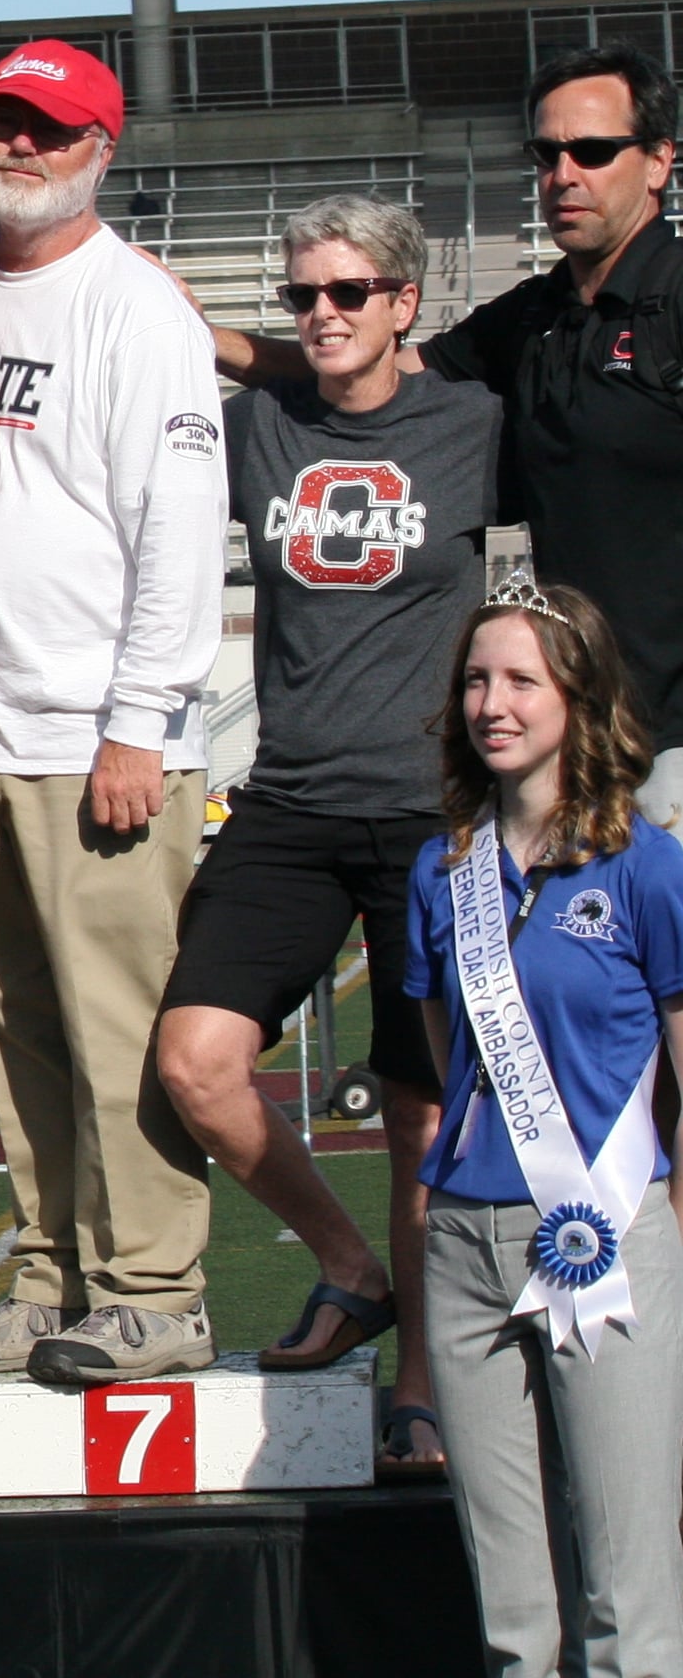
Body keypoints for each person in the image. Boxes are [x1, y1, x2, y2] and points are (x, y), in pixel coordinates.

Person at [149, 196, 493, 1469]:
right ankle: (351, 1265)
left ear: (406, 301)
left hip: (431, 814)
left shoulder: (472, 423)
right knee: (193, 1060)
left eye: (351, 292)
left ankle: (418, 1382)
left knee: (418, 1115)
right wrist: (222, 337)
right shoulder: (258, 426)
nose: (325, 314)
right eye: (302, 295)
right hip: (288, 798)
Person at [0, 38, 222, 1367]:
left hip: (96, 738)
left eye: (47, 127)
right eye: (2, 123)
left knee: (120, 1029)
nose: (19, 146)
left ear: (102, 145)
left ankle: (154, 1288)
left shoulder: (136, 307)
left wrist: (138, 722)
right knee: (6, 1025)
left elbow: (179, 527)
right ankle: (53, 1276)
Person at [214, 46, 683, 825]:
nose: (563, 174)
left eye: (593, 151)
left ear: (660, 161)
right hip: (586, 730)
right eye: (546, 152)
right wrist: (206, 339)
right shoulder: (531, 315)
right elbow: (366, 371)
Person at [407, 579, 683, 1678]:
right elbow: (447, 1057)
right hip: (466, 1245)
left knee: (629, 1596)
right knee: (514, 1612)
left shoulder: (648, 866)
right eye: (477, 678)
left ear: (581, 694)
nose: (492, 702)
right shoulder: (444, 869)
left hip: (608, 1236)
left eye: (522, 678)